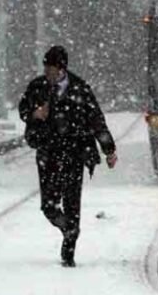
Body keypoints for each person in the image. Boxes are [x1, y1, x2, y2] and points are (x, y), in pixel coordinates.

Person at [18, 45, 117, 267]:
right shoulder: (37, 86)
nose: (48, 74)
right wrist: (35, 113)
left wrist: (108, 149)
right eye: (46, 69)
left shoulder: (80, 89)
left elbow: (96, 121)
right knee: (49, 205)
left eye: (51, 69)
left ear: (62, 69)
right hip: (48, 152)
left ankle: (69, 251)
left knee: (72, 203)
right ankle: (68, 228)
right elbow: (23, 109)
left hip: (75, 152)